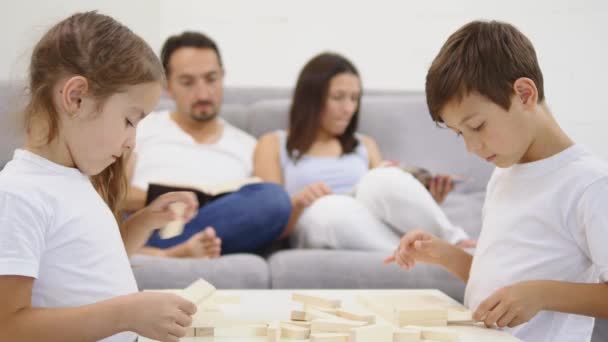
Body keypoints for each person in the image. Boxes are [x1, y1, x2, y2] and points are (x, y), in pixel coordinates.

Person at [385, 20, 608, 342]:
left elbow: (529, 292)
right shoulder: (504, 173)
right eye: (460, 134)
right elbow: (497, 285)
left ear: (524, 94)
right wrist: (443, 254)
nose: (471, 147)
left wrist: (542, 294)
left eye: (476, 126)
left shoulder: (589, 184)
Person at [0, 12, 199, 342]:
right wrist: (126, 314)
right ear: (76, 97)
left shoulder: (73, 179)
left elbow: (89, 267)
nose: (132, 141)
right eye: (129, 120)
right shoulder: (18, 194)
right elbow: (8, 327)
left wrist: (146, 221)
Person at [254, 52, 474, 250]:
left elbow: (386, 202)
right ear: (310, 99)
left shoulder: (364, 144)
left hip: (366, 217)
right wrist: (299, 201)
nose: (349, 108)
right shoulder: (273, 144)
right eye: (338, 97)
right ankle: (411, 253)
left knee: (381, 177)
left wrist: (428, 197)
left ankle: (453, 241)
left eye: (354, 98)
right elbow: (269, 223)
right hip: (317, 219)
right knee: (332, 209)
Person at [126, 31, 292, 256]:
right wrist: (172, 203)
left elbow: (268, 212)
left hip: (222, 231)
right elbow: (113, 193)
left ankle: (181, 249)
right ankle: (171, 250)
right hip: (154, 227)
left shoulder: (247, 145)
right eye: (187, 82)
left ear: (222, 76)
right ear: (167, 85)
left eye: (211, 79)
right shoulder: (142, 128)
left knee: (274, 198)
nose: (203, 93)